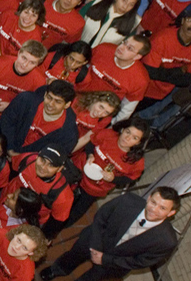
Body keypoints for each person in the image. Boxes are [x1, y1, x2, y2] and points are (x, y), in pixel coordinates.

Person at [40, 186, 180, 281]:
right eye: (153, 202)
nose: (154, 209)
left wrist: (104, 259)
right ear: (149, 198)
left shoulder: (167, 241)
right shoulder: (127, 200)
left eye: (162, 208)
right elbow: (101, 217)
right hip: (95, 238)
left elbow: (140, 261)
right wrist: (96, 246)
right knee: (74, 255)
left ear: (171, 213)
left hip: (115, 264)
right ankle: (58, 269)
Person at [64, 119, 147, 229]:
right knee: (61, 198)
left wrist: (114, 179)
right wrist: (90, 154)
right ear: (123, 129)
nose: (127, 138)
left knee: (77, 210)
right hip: (78, 172)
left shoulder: (136, 161)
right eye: (127, 132)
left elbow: (130, 178)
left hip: (95, 188)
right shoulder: (108, 135)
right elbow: (91, 142)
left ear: (138, 143)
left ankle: (57, 229)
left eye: (134, 138)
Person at [77, 36, 151, 121]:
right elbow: (79, 66)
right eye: (124, 42)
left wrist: (113, 125)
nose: (122, 47)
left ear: (137, 57)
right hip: (77, 94)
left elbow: (127, 108)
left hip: (100, 113)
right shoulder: (103, 49)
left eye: (130, 48)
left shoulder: (140, 79)